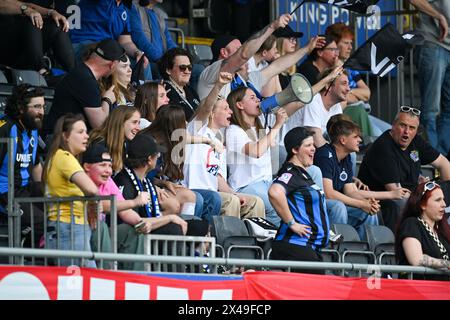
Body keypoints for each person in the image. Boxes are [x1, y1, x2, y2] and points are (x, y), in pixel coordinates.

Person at [314, 117, 413, 239]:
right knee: (339, 207)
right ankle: (337, 247)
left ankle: (366, 250)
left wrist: (372, 201)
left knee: (369, 212)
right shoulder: (325, 154)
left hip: (339, 205)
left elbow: (351, 192)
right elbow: (329, 194)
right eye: (355, 137)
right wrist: (361, 203)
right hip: (319, 207)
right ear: (343, 140)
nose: (360, 140)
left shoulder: (347, 158)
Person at [184, 72, 265, 220]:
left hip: (215, 192)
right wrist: (219, 85)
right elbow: (206, 107)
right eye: (225, 108)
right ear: (212, 114)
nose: (231, 111)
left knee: (254, 202)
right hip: (194, 191)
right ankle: (226, 240)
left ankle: (251, 241)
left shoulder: (219, 142)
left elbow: (219, 178)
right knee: (231, 201)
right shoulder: (197, 129)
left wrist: (233, 193)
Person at [112, 134, 198, 270]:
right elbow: (137, 223)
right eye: (156, 155)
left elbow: (154, 215)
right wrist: (170, 217)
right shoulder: (124, 182)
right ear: (149, 160)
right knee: (173, 228)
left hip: (146, 229)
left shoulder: (146, 181)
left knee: (198, 227)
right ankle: (174, 278)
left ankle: (197, 270)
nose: (158, 158)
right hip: (132, 236)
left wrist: (171, 218)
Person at [358, 107, 450, 232]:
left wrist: (443, 198)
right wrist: (426, 196)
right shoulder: (383, 147)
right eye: (403, 126)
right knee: (410, 203)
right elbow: (397, 193)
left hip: (409, 197)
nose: (406, 132)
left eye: (412, 128)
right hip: (383, 205)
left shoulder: (415, 140)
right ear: (393, 125)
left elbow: (444, 164)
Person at [141, 105, 222, 223]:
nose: (185, 123)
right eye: (182, 121)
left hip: (165, 185)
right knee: (196, 198)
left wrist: (209, 141)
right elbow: (143, 176)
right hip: (151, 189)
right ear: (173, 125)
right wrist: (162, 184)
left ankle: (205, 234)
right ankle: (189, 233)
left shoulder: (170, 139)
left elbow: (189, 139)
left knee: (214, 198)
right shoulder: (151, 144)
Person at [268, 127, 329, 273]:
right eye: (308, 145)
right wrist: (292, 223)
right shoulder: (291, 173)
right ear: (295, 150)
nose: (313, 149)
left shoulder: (303, 175)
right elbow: (275, 192)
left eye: (313, 145)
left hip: (307, 248)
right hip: (295, 247)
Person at [225, 87, 288, 226]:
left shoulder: (262, 129)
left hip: (266, 183)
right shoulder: (233, 131)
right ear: (239, 105)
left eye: (257, 97)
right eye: (252, 98)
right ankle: (273, 243)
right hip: (246, 186)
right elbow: (257, 152)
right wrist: (277, 125)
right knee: (276, 205)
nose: (258, 100)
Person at [42, 114, 98, 267]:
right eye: (80, 132)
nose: (86, 136)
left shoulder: (58, 156)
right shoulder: (64, 157)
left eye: (86, 131)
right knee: (80, 283)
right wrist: (93, 206)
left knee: (85, 282)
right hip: (69, 227)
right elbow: (91, 189)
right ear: (65, 136)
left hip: (68, 227)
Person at [197, 13, 292, 100]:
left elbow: (276, 67)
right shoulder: (212, 71)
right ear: (224, 52)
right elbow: (243, 54)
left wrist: (306, 49)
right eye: (238, 49)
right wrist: (272, 26)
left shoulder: (239, 79)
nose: (243, 53)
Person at [44, 39, 127, 135]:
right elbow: (99, 125)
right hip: (59, 140)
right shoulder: (85, 79)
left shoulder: (83, 72)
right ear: (112, 65)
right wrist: (107, 100)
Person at [0, 84, 46, 248]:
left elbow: (35, 166)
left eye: (43, 106)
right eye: (37, 106)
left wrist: (45, 190)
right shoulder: (4, 129)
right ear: (20, 108)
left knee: (59, 210)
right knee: (44, 224)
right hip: (5, 193)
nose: (42, 111)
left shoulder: (33, 128)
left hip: (25, 188)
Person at [408, 0, 450, 155]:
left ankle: (441, 157)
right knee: (430, 108)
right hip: (433, 42)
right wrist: (438, 15)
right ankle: (432, 158)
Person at [70, 0, 150, 77]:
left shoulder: (124, 9)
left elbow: (125, 41)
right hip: (83, 44)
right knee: (118, 64)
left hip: (108, 48)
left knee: (142, 63)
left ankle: (144, 90)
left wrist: (137, 52)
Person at [0, 0, 74, 75]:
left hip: (24, 45)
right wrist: (26, 10)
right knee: (32, 21)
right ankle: (42, 72)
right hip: (5, 45)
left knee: (56, 25)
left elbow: (26, 5)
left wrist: (51, 13)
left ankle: (74, 73)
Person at [396, 181, 450, 281]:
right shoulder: (411, 223)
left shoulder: (442, 231)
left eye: (443, 200)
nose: (444, 204)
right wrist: (447, 264)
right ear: (422, 204)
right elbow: (416, 259)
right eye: (438, 200)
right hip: (419, 291)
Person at [285, 68, 349, 148]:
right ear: (328, 85)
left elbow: (340, 138)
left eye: (348, 84)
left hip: (308, 150)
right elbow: (317, 141)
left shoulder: (336, 107)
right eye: (344, 84)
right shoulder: (313, 100)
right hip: (290, 149)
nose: (348, 89)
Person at [158, 48, 200, 120]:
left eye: (189, 67)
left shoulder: (191, 90)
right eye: (182, 67)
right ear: (168, 70)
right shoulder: (164, 91)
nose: (187, 71)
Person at [273, 25, 303, 90]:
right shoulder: (272, 63)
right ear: (280, 41)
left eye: (295, 39)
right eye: (291, 39)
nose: (294, 42)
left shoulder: (294, 66)